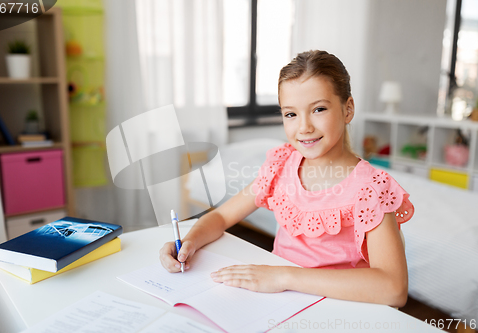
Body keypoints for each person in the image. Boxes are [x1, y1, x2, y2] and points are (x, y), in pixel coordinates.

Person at [159, 50, 414, 308]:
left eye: (319, 109)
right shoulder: (282, 166)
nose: (304, 127)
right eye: (291, 114)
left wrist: (284, 276)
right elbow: (222, 217)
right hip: (277, 304)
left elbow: (393, 288)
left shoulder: (371, 187)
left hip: (336, 309)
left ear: (348, 109)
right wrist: (190, 242)